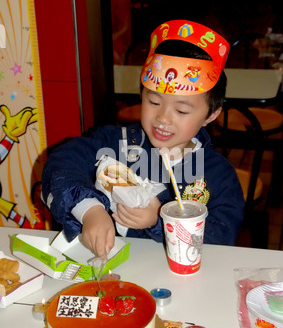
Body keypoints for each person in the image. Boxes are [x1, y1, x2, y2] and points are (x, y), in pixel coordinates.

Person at [42, 19, 245, 258]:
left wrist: (161, 220)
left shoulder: (218, 177)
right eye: (154, 102)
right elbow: (61, 166)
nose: (163, 118)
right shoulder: (115, 143)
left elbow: (220, 240)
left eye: (181, 111)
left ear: (211, 114)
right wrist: (90, 210)